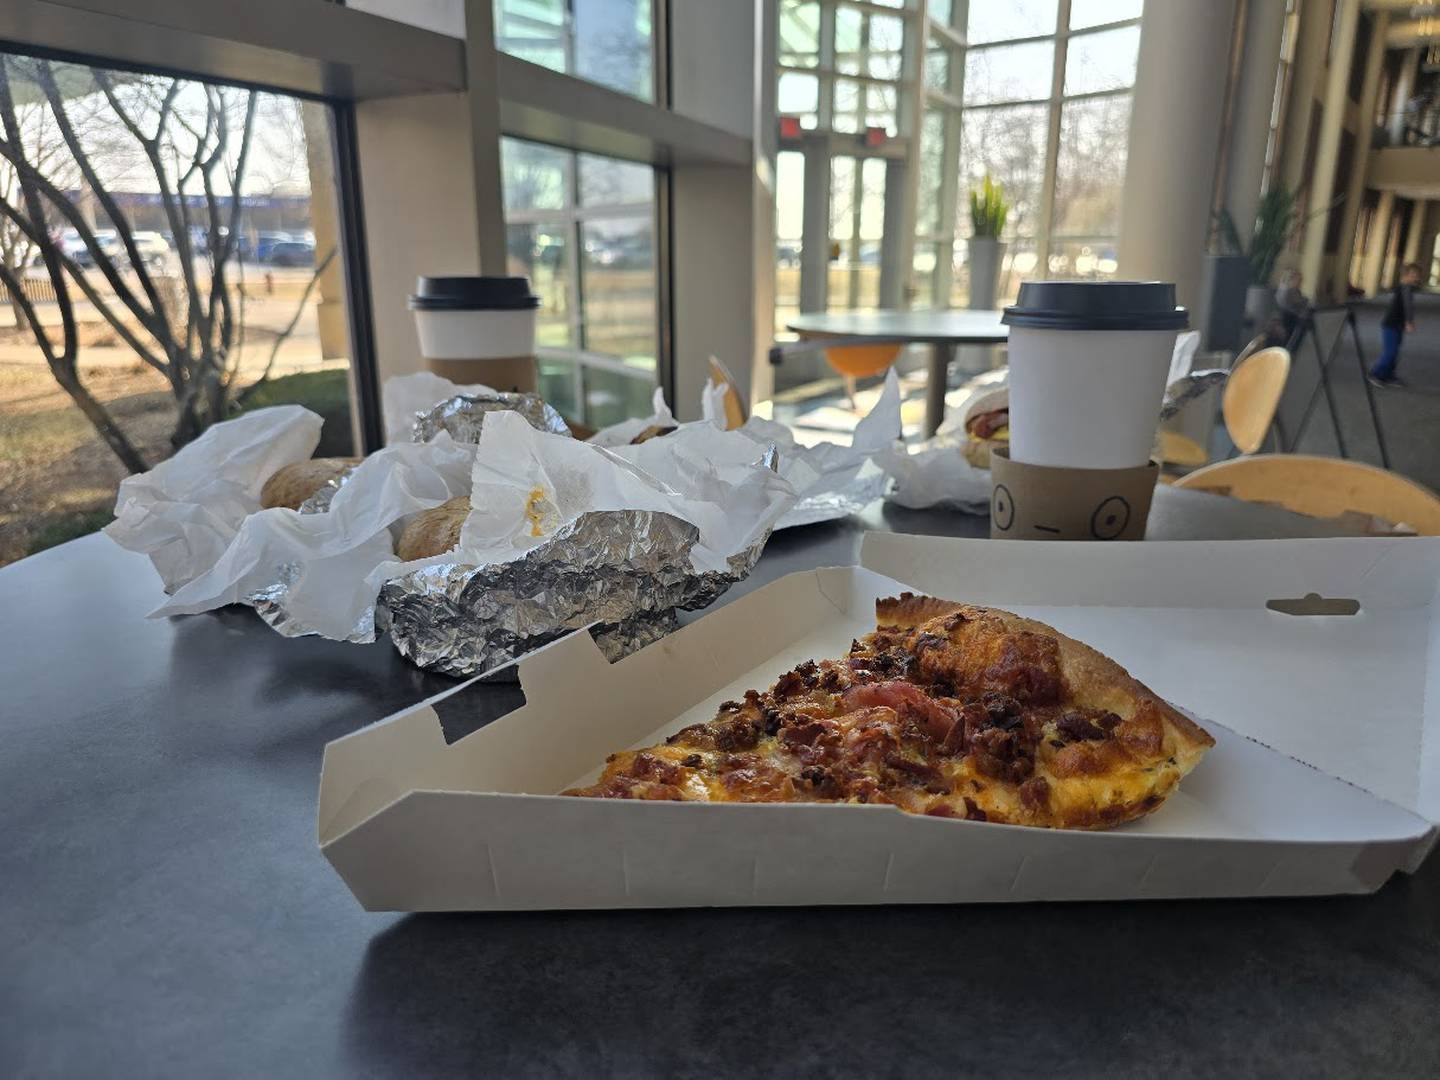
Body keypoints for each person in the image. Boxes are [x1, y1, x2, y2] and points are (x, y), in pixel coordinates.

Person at [1370, 262, 1423, 388]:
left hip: (1397, 325)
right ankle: (1375, 374)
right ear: (1405, 276)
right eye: (1413, 275)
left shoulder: (1407, 287)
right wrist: (1409, 322)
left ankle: (1388, 375)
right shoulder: (1404, 288)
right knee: (1391, 352)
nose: (1416, 277)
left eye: (1417, 275)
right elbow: (1407, 306)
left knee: (1395, 352)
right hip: (1390, 325)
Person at [1272, 268, 1310, 346]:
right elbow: (1291, 306)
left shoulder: (1295, 291)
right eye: (1299, 280)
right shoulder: (1286, 291)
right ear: (1291, 279)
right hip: (1286, 321)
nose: (1300, 283)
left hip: (1291, 319)